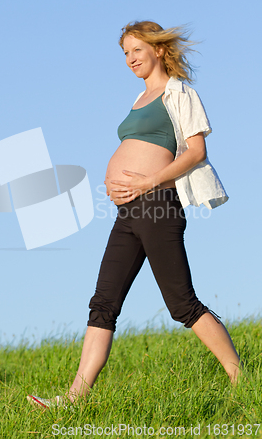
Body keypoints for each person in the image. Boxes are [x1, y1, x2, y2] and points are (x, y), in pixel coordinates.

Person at [27, 21, 241, 409]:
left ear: (158, 50)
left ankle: (240, 378)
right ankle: (74, 399)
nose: (129, 60)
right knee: (103, 304)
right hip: (128, 213)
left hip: (158, 205)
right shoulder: (139, 98)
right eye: (125, 53)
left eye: (136, 51)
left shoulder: (179, 93)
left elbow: (195, 152)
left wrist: (148, 182)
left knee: (182, 304)